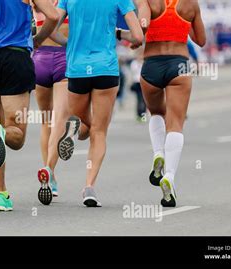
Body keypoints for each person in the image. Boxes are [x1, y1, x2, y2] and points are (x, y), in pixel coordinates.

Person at [0, 0, 59, 211]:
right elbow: (53, 16)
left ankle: (0, 194)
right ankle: (2, 133)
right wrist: (39, 39)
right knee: (16, 136)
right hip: (16, 56)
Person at [53, 0, 143, 207]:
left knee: (83, 124)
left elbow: (51, 24)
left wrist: (68, 42)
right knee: (98, 131)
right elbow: (138, 36)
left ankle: (74, 129)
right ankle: (89, 187)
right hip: (106, 68)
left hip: (77, 68)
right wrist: (121, 35)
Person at [136, 0, 206, 207]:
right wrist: (186, 25)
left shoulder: (149, 2)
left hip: (151, 65)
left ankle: (158, 154)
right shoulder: (190, 4)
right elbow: (201, 40)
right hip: (179, 64)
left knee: (156, 112)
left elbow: (141, 28)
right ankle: (169, 177)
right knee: (175, 123)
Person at [32, 0, 70, 205]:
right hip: (64, 58)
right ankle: (49, 168)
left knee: (46, 120)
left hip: (39, 59)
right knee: (59, 121)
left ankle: (51, 175)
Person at [130, 51, 146, 122]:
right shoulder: (134, 63)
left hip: (144, 82)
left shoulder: (145, 62)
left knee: (145, 100)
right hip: (137, 82)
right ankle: (139, 115)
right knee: (139, 99)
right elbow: (134, 72)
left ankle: (143, 116)